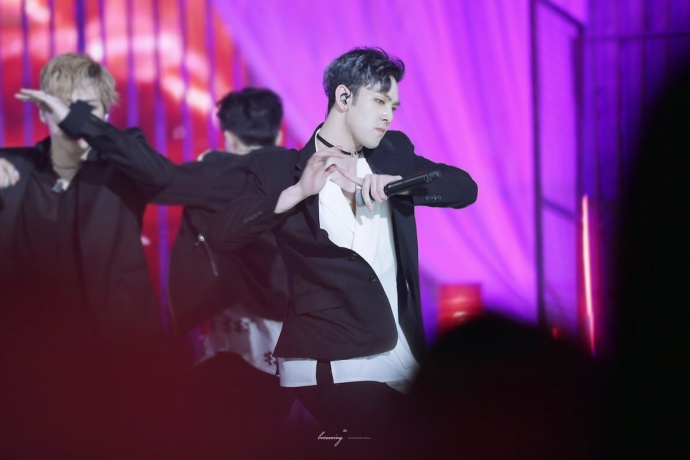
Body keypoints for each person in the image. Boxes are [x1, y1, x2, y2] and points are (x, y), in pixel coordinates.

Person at [205, 47, 478, 446]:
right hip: (328, 355)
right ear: (344, 97)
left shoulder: (393, 154)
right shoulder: (278, 169)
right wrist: (297, 192)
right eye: (379, 101)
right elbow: (222, 234)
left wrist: (400, 184)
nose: (388, 115)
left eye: (393, 106)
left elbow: (464, 188)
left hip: (399, 349)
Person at [0, 53, 175, 457]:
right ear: (43, 111)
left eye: (86, 109)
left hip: (117, 354)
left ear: (105, 114)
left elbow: (163, 177)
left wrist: (81, 122)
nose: (70, 120)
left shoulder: (125, 163)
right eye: (61, 107)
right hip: (32, 361)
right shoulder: (15, 166)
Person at [152, 87, 293, 458]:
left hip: (238, 328)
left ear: (229, 137)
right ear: (279, 133)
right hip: (299, 326)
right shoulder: (303, 171)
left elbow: (155, 181)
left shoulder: (217, 174)